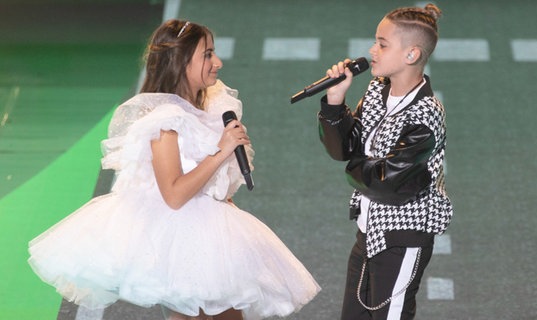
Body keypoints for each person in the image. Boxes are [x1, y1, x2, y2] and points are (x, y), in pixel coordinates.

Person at [28, 19, 320, 320]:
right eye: (207, 54)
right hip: (180, 243)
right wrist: (222, 150)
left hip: (210, 235)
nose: (217, 62)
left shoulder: (212, 105)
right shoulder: (164, 119)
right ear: (181, 62)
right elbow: (174, 194)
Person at [316, 4, 452, 320]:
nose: (371, 50)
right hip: (368, 232)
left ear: (411, 55)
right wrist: (335, 101)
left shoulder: (426, 116)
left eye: (382, 43)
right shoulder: (379, 89)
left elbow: (383, 183)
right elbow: (344, 149)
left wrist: (355, 165)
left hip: (401, 240)